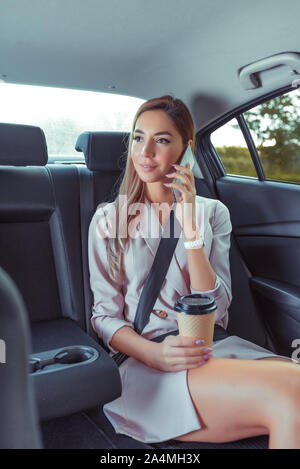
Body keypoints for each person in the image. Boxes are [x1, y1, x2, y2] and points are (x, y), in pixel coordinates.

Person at [88, 95, 300, 449]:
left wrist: (190, 231)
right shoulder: (110, 218)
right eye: (139, 138)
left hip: (210, 348)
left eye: (162, 140)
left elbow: (217, 308)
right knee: (291, 391)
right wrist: (154, 354)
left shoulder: (213, 212)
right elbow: (104, 316)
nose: (145, 151)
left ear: (186, 149)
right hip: (147, 362)